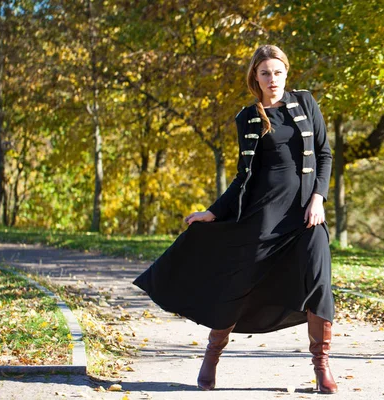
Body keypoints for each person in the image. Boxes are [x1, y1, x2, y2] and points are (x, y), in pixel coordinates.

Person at [132, 44, 337, 394]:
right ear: (255, 78)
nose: (272, 79)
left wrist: (318, 198)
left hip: (305, 216)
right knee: (237, 288)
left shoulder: (305, 103)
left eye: (277, 72)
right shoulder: (249, 117)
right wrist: (213, 212)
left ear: (286, 73)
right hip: (263, 216)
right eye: (265, 73)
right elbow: (244, 176)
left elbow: (323, 154)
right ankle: (211, 358)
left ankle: (321, 368)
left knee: (319, 283)